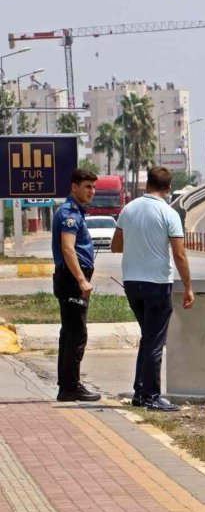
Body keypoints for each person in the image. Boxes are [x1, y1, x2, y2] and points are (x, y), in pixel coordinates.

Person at [111, 166, 194, 411]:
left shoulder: (129, 209)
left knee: (148, 337)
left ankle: (140, 392)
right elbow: (179, 254)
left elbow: (116, 246)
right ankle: (151, 396)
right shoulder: (169, 214)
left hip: (132, 284)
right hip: (157, 284)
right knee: (155, 342)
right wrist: (188, 287)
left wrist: (139, 244)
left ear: (147, 184)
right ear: (168, 189)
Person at [52, 169, 101, 401]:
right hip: (72, 280)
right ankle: (71, 386)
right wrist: (81, 279)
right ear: (74, 187)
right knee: (77, 332)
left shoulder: (76, 212)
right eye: (87, 186)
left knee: (70, 332)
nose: (92, 191)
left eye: (93, 187)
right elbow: (68, 248)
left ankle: (67, 385)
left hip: (72, 278)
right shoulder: (69, 213)